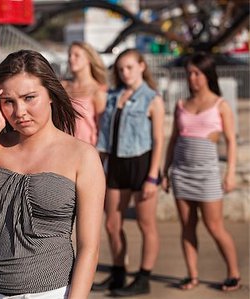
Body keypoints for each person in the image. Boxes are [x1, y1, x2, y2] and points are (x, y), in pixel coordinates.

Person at [0, 49, 105, 299]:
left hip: (52, 292)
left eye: (29, 98)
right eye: (9, 101)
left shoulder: (82, 156)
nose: (20, 111)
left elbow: (90, 247)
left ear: (51, 95)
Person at [162, 52, 241, 292]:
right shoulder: (180, 105)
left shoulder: (220, 105)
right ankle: (192, 275)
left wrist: (230, 173)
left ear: (207, 74)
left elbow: (231, 141)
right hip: (181, 174)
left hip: (207, 175)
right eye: (189, 74)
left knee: (214, 226)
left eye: (197, 73)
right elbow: (173, 140)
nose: (192, 78)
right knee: (187, 227)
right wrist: (166, 171)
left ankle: (233, 273)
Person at [94, 49, 165, 297]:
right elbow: (103, 136)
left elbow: (158, 140)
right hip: (116, 164)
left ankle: (143, 278)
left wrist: (153, 177)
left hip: (142, 164)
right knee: (113, 224)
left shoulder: (152, 99)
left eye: (130, 67)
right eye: (121, 69)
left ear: (142, 66)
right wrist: (95, 166)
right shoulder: (113, 97)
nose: (125, 73)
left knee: (146, 224)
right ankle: (118, 273)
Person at [62, 41, 108, 145]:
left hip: (86, 149)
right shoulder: (63, 86)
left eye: (76, 55)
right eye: (69, 55)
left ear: (88, 59)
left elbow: (103, 128)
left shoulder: (98, 90)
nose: (71, 59)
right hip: (63, 148)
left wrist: (99, 155)